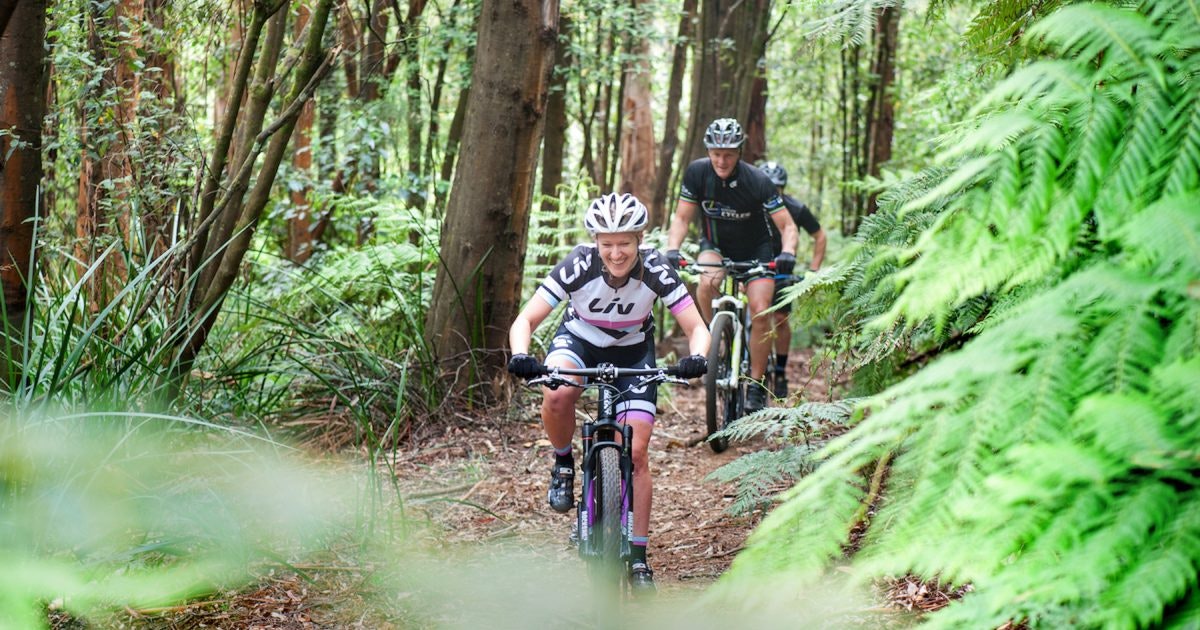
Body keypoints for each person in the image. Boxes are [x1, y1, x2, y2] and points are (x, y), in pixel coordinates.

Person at [507, 192, 710, 595]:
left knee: (635, 452)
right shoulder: (578, 265)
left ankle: (638, 554)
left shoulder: (657, 269)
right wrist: (520, 354)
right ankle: (564, 463)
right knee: (558, 394)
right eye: (607, 244)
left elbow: (697, 327)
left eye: (625, 243)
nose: (616, 253)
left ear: (640, 240)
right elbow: (524, 320)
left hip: (634, 352)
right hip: (579, 342)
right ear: (595, 242)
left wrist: (697, 357)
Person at [664, 117, 799, 414]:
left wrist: (788, 252)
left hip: (757, 250)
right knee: (707, 282)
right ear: (708, 151)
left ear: (739, 152)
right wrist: (672, 248)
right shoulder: (698, 173)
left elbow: (788, 226)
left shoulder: (758, 181)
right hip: (715, 245)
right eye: (716, 153)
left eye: (728, 154)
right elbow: (682, 218)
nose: (721, 160)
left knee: (760, 310)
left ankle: (756, 383)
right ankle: (714, 342)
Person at [758, 161, 826, 400]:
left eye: (776, 188)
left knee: (779, 318)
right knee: (756, 316)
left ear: (782, 188)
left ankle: (780, 370)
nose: (771, 191)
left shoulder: (795, 208)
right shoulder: (751, 205)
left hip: (782, 270)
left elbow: (819, 236)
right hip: (755, 267)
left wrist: (813, 270)